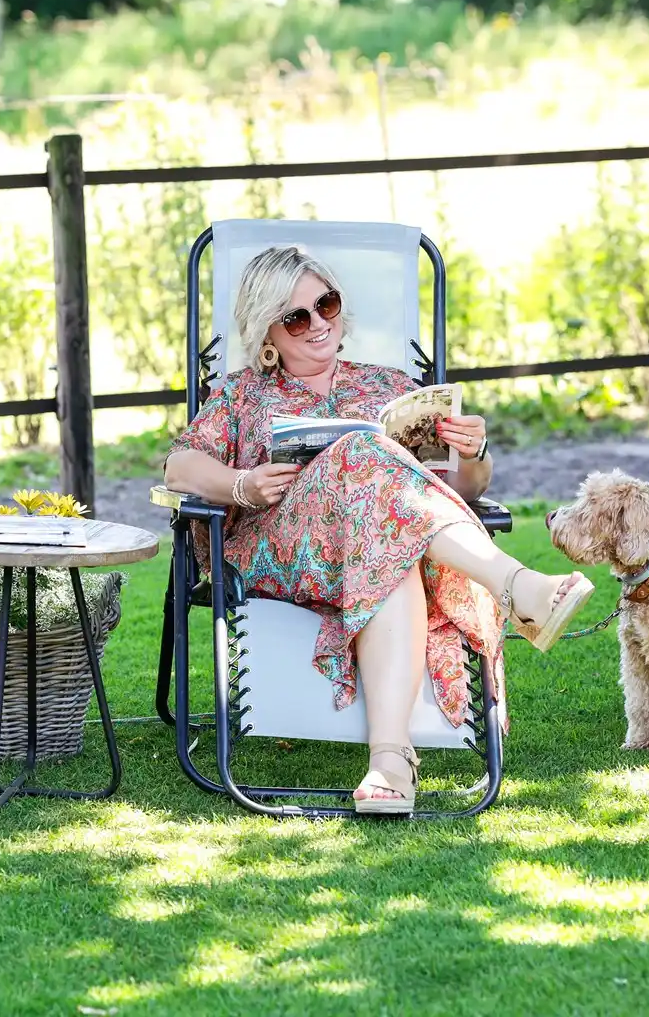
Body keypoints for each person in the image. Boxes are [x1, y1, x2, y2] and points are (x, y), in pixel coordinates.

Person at [162, 244, 594, 813]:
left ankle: (391, 762)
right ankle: (516, 586)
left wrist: (475, 450)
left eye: (327, 304)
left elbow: (459, 492)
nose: (318, 323)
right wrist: (242, 484)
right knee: (364, 450)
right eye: (297, 317)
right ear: (267, 330)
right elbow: (180, 465)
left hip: (377, 548)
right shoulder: (243, 395)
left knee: (386, 545)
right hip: (281, 545)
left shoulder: (390, 386)